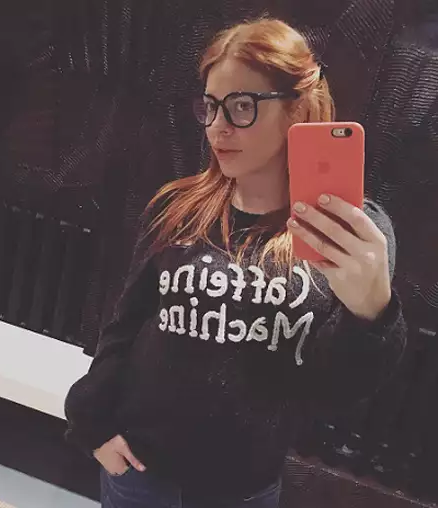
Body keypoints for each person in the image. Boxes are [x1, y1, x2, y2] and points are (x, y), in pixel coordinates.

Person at [64, 17, 407, 508]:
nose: (217, 127)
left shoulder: (354, 234)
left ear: (296, 110)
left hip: (242, 490)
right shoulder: (178, 207)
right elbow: (125, 325)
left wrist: (372, 314)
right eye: (210, 106)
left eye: (242, 106)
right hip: (138, 473)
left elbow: (338, 392)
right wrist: (93, 424)